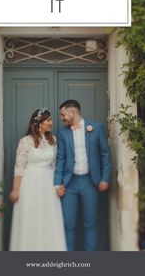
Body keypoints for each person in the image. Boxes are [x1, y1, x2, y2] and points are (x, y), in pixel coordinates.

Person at [54, 99, 111, 251]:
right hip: (69, 183)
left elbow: (105, 154)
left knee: (90, 222)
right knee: (68, 223)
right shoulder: (62, 133)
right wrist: (57, 184)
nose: (61, 118)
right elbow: (60, 158)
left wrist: (105, 178)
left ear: (73, 112)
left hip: (90, 182)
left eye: (63, 114)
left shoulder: (96, 128)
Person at [9, 107, 67, 251]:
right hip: (29, 184)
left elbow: (56, 165)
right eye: (48, 120)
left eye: (51, 120)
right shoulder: (25, 142)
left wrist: (58, 185)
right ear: (39, 123)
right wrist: (16, 190)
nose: (51, 123)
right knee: (30, 218)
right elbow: (20, 167)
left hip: (48, 184)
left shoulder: (52, 139)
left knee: (48, 219)